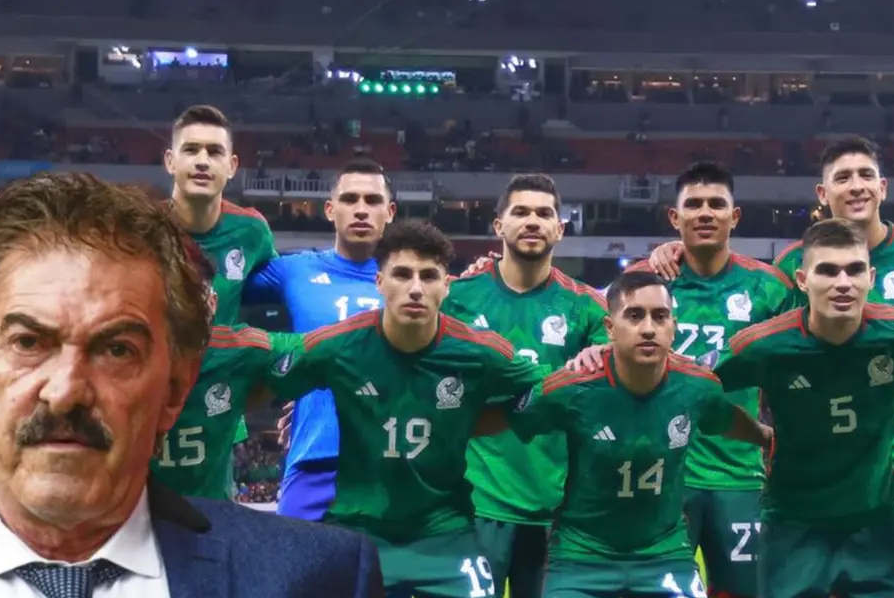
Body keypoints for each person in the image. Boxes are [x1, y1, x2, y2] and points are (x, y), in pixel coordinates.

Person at [0, 173, 383, 598]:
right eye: (29, 342)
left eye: (116, 349)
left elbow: (329, 351)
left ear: (174, 389)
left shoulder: (316, 578)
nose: (65, 391)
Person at [646, 138, 894, 597]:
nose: (855, 186)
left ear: (883, 186)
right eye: (843, 177)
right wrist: (682, 248)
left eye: (864, 175)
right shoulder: (787, 272)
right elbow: (746, 354)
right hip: (810, 479)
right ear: (823, 193)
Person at [265, 219, 546, 598]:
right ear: (379, 282)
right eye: (402, 274)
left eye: (429, 276)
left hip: (445, 535)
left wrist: (480, 421)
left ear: (447, 286)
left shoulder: (479, 352)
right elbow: (257, 370)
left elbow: (547, 389)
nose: (415, 288)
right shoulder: (339, 345)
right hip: (359, 529)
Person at [711, 219, 894, 598]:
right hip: (793, 525)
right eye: (828, 271)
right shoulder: (763, 346)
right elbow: (695, 389)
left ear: (871, 276)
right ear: (802, 280)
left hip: (876, 523)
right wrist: (755, 433)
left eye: (854, 270)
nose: (843, 282)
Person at [575, 163, 791, 597]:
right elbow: (598, 348)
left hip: (739, 476)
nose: (705, 213)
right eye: (693, 204)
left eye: (717, 204)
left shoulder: (770, 287)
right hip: (661, 475)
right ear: (675, 219)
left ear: (736, 216)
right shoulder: (642, 283)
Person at [505, 271, 772, 598]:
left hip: (664, 555)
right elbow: (515, 420)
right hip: (581, 557)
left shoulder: (698, 386)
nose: (648, 328)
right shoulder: (570, 388)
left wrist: (766, 437)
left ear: (674, 327)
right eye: (634, 316)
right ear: (609, 328)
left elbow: (724, 418)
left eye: (660, 317)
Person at [440, 173, 610, 598]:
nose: (532, 221)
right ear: (498, 226)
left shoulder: (587, 306)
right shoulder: (456, 298)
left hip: (559, 508)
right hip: (476, 503)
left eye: (544, 213)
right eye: (520, 212)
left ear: (560, 229)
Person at [244, 158, 395, 520]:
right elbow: (221, 284)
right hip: (313, 459)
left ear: (389, 212)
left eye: (373, 201)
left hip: (390, 465)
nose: (361, 210)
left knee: (382, 577)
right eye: (350, 199)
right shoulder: (294, 271)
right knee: (292, 573)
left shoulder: (413, 281)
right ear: (330, 209)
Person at [164, 104, 277, 455]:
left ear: (232, 166)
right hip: (148, 400)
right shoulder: (139, 228)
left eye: (214, 152)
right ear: (170, 161)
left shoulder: (252, 232)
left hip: (218, 405)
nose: (202, 161)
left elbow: (274, 294)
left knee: (216, 510)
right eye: (191, 150)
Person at [151, 251, 301, 500]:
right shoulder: (119, 354)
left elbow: (319, 352)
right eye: (177, 295)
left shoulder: (241, 349)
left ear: (213, 303)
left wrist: (302, 391)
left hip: (210, 518)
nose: (186, 308)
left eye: (196, 295)